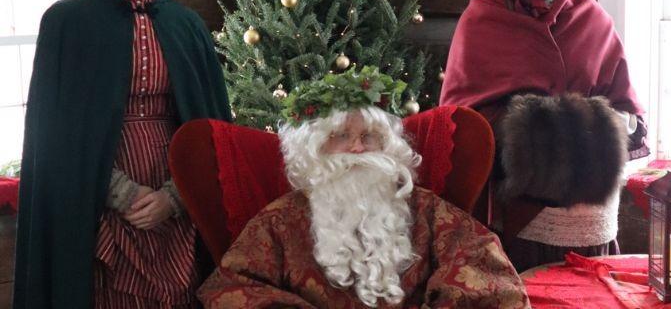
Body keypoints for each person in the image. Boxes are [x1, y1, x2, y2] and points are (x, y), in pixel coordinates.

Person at [13, 0, 232, 308]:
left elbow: (213, 126)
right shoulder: (67, 22)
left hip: (176, 187)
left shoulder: (187, 25)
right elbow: (57, 132)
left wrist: (175, 196)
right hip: (100, 193)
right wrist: (122, 194)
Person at [197, 67, 530, 308]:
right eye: (341, 136)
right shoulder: (280, 220)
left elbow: (484, 273)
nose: (358, 149)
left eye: (369, 136)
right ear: (314, 149)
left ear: (388, 146)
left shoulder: (426, 210)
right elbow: (232, 287)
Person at [440, 0, 649, 271]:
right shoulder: (481, 20)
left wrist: (620, 122)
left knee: (587, 287)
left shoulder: (592, 18)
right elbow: (462, 114)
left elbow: (625, 105)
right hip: (520, 195)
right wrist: (536, 128)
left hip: (589, 196)